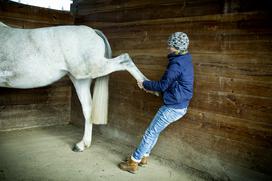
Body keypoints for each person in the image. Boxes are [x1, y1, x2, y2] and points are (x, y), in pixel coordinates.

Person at [118, 32, 194, 174]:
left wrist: (145, 84)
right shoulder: (185, 59)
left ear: (177, 47)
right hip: (180, 105)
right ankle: (144, 157)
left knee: (150, 133)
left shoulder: (176, 64)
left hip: (173, 107)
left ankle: (133, 162)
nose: (168, 47)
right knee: (154, 132)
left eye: (170, 45)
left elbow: (162, 85)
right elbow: (174, 84)